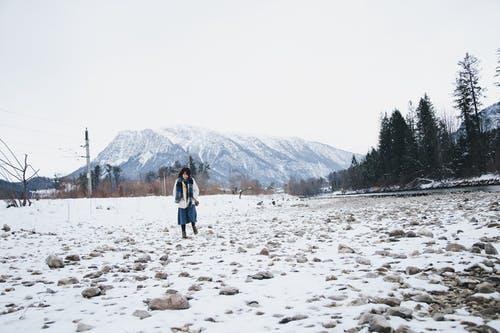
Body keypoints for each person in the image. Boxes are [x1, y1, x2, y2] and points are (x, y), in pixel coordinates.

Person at [173, 167, 200, 239]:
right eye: (184, 174)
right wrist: (178, 198)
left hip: (190, 201)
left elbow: (196, 190)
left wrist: (193, 197)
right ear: (182, 174)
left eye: (187, 174)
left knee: (192, 216)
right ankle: (183, 233)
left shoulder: (192, 180)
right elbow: (174, 191)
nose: (185, 176)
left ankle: (193, 226)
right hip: (182, 202)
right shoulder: (178, 181)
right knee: (182, 218)